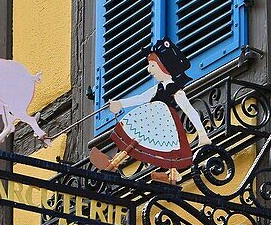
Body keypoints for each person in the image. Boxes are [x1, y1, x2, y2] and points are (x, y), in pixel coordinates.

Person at [89, 38, 211, 184]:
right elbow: (141, 98)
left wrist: (203, 135)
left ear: (163, 66)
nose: (149, 70)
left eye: (152, 66)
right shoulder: (158, 88)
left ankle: (172, 176)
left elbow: (189, 110)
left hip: (166, 124)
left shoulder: (175, 90)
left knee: (168, 151)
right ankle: (113, 164)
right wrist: (120, 103)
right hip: (151, 120)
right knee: (134, 141)